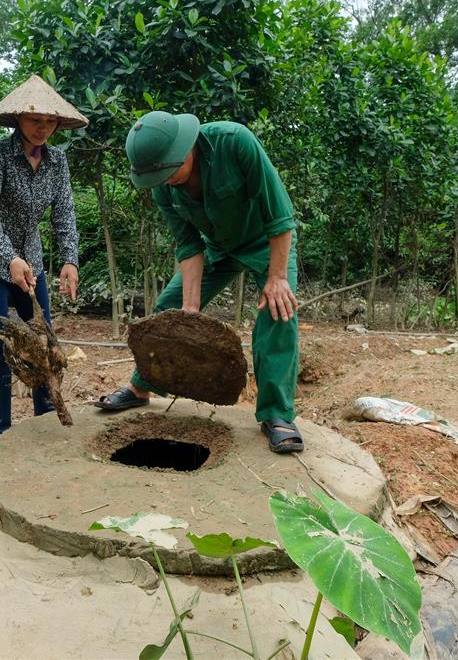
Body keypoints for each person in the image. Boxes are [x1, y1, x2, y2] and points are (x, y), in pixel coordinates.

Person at [95, 111, 304, 453]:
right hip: (216, 248)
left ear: (185, 148)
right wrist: (188, 313)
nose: (165, 181)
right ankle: (141, 387)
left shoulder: (234, 142)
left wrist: (277, 277)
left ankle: (277, 415)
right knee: (169, 310)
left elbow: (280, 216)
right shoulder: (163, 183)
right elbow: (190, 246)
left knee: (279, 312)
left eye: (168, 171)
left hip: (266, 243)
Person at [0, 74, 87, 441]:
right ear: (18, 119)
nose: (43, 128)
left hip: (30, 261)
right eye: (36, 120)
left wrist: (70, 259)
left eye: (50, 122)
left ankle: (46, 420)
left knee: (42, 341)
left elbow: (64, 212)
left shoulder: (57, 161)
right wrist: (8, 258)